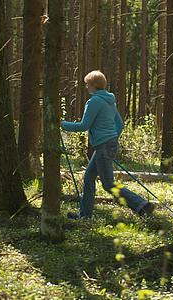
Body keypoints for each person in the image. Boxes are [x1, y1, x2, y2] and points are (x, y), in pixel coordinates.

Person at [61, 70, 155, 219]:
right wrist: (111, 139)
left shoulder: (94, 101)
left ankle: (142, 205)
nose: (86, 87)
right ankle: (85, 215)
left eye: (87, 84)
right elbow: (120, 125)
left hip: (104, 146)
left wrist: (62, 124)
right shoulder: (109, 101)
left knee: (108, 184)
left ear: (93, 85)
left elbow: (84, 126)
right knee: (89, 178)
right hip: (107, 145)